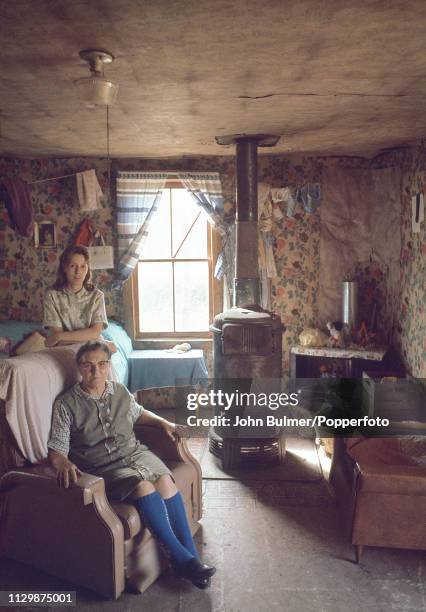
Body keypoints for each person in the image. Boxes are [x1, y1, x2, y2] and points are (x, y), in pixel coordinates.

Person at [47, 341, 216, 589]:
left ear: (108, 366)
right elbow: (56, 449)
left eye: (102, 365)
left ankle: (190, 560)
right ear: (79, 368)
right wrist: (62, 463)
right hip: (103, 465)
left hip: (135, 453)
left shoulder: (120, 391)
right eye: (89, 366)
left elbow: (138, 412)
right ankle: (184, 561)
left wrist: (163, 423)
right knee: (144, 487)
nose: (96, 372)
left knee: (166, 482)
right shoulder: (66, 404)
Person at [43, 245, 115, 352]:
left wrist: (60, 337)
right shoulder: (52, 296)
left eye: (83, 266)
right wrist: (59, 337)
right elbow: (58, 338)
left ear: (87, 268)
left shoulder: (97, 296)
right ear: (64, 267)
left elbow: (95, 332)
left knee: (110, 349)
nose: (78, 272)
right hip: (65, 348)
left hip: (92, 348)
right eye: (73, 266)